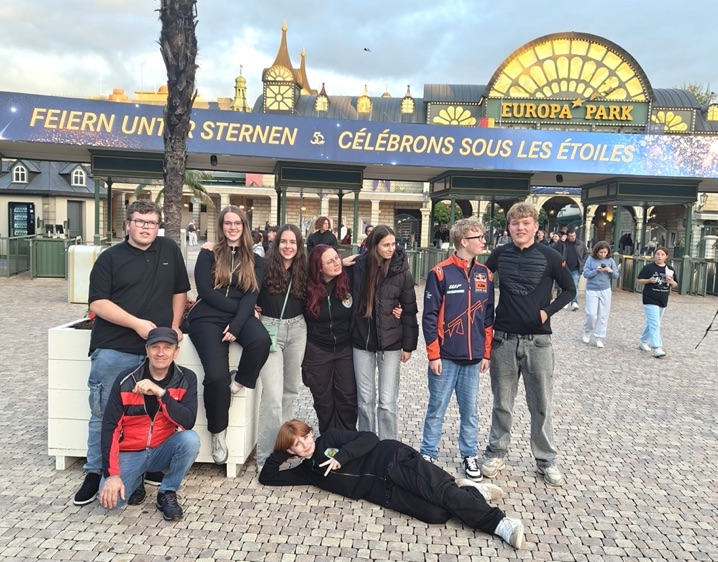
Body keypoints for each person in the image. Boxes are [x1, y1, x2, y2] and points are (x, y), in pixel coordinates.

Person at [74, 200, 190, 507]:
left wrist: (174, 326)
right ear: (128, 224)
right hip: (114, 348)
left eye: (151, 223)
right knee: (105, 414)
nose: (146, 227)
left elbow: (180, 290)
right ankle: (95, 471)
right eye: (140, 221)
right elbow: (98, 304)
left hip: (156, 351)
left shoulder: (169, 250)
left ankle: (144, 469)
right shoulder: (110, 258)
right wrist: (137, 324)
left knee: (151, 411)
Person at [259, 420, 525, 549]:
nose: (305, 444)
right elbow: (267, 477)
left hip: (391, 460)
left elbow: (369, 438)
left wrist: (342, 457)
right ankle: (470, 492)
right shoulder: (307, 472)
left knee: (439, 492)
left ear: (311, 433)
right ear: (292, 451)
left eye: (305, 437)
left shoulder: (330, 437)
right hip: (384, 493)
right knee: (437, 513)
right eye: (297, 445)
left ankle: (500, 524)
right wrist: (282, 451)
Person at [480, 202, 575, 487]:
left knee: (541, 405)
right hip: (503, 340)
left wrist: (548, 311)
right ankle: (496, 452)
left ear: (535, 226)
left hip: (539, 342)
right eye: (515, 223)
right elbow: (479, 281)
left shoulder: (551, 256)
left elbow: (569, 289)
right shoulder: (500, 254)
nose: (520, 228)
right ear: (508, 227)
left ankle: (546, 459)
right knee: (502, 403)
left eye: (525, 223)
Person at [188, 205, 271, 464]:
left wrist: (237, 324)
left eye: (237, 223)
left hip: (240, 315)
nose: (232, 227)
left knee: (261, 340)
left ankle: (237, 383)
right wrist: (240, 315)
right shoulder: (209, 253)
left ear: (244, 226)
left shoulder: (255, 259)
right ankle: (218, 433)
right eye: (228, 223)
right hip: (207, 315)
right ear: (221, 226)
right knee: (216, 377)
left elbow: (252, 294)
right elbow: (205, 291)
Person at [98, 327, 200, 520]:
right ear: (147, 350)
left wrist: (162, 393)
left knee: (190, 440)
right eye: (155, 347)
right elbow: (110, 428)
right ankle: (137, 479)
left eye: (167, 347)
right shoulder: (126, 380)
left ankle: (167, 492)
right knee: (112, 503)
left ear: (176, 352)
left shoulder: (186, 378)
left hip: (161, 449)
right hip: (130, 452)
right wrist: (112, 475)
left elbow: (188, 421)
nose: (161, 353)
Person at [420, 218, 494, 480]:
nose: (483, 241)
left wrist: (486, 353)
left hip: (473, 359)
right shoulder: (440, 273)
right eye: (478, 237)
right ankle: (427, 453)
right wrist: (434, 355)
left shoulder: (486, 274)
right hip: (446, 357)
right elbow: (429, 317)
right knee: (436, 408)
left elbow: (488, 316)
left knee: (470, 411)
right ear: (464, 242)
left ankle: (469, 454)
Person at [351, 224, 418, 440]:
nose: (391, 249)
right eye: (386, 245)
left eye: (393, 244)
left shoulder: (401, 272)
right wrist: (342, 263)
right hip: (362, 342)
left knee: (387, 402)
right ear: (374, 246)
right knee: (365, 400)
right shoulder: (359, 267)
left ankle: (388, 446)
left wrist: (408, 346)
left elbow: (410, 309)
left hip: (390, 343)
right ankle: (366, 443)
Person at [255, 224, 309, 470]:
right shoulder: (263, 266)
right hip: (270, 329)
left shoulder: (304, 269)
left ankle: (284, 447)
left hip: (297, 329)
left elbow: (330, 267)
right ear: (276, 244)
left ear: (299, 246)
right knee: (273, 396)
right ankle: (265, 457)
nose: (288, 246)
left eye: (293, 242)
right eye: (284, 242)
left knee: (290, 391)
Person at [302, 244, 358, 432]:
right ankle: (328, 439)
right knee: (323, 401)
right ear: (319, 267)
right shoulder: (306, 287)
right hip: (317, 350)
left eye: (337, 258)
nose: (336, 263)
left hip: (344, 348)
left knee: (347, 398)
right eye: (330, 261)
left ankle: (347, 438)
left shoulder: (348, 280)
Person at [636, 246, 677, 358]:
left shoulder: (670, 269)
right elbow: (639, 280)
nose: (659, 256)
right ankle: (657, 347)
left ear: (666, 257)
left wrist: (671, 281)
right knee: (655, 323)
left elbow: (675, 284)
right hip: (650, 298)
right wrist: (649, 280)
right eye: (658, 254)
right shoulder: (648, 268)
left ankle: (643, 341)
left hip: (663, 298)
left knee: (653, 322)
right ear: (654, 255)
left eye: (662, 254)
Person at [582, 241, 619, 348]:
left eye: (604, 252)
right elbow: (585, 274)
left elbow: (616, 276)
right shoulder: (590, 259)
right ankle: (587, 330)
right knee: (591, 313)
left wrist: (610, 271)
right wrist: (596, 270)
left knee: (603, 314)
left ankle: (599, 337)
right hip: (592, 289)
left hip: (605, 289)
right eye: (600, 252)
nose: (602, 255)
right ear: (596, 251)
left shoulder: (610, 261)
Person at [554, 228, 587, 311]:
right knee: (564, 285)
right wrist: (561, 241)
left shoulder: (581, 244)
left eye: (574, 235)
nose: (573, 237)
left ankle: (574, 302)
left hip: (576, 268)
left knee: (574, 285)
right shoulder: (563, 243)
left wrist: (583, 263)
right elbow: (554, 250)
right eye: (571, 236)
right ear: (567, 236)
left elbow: (586, 254)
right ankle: (565, 301)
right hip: (564, 268)